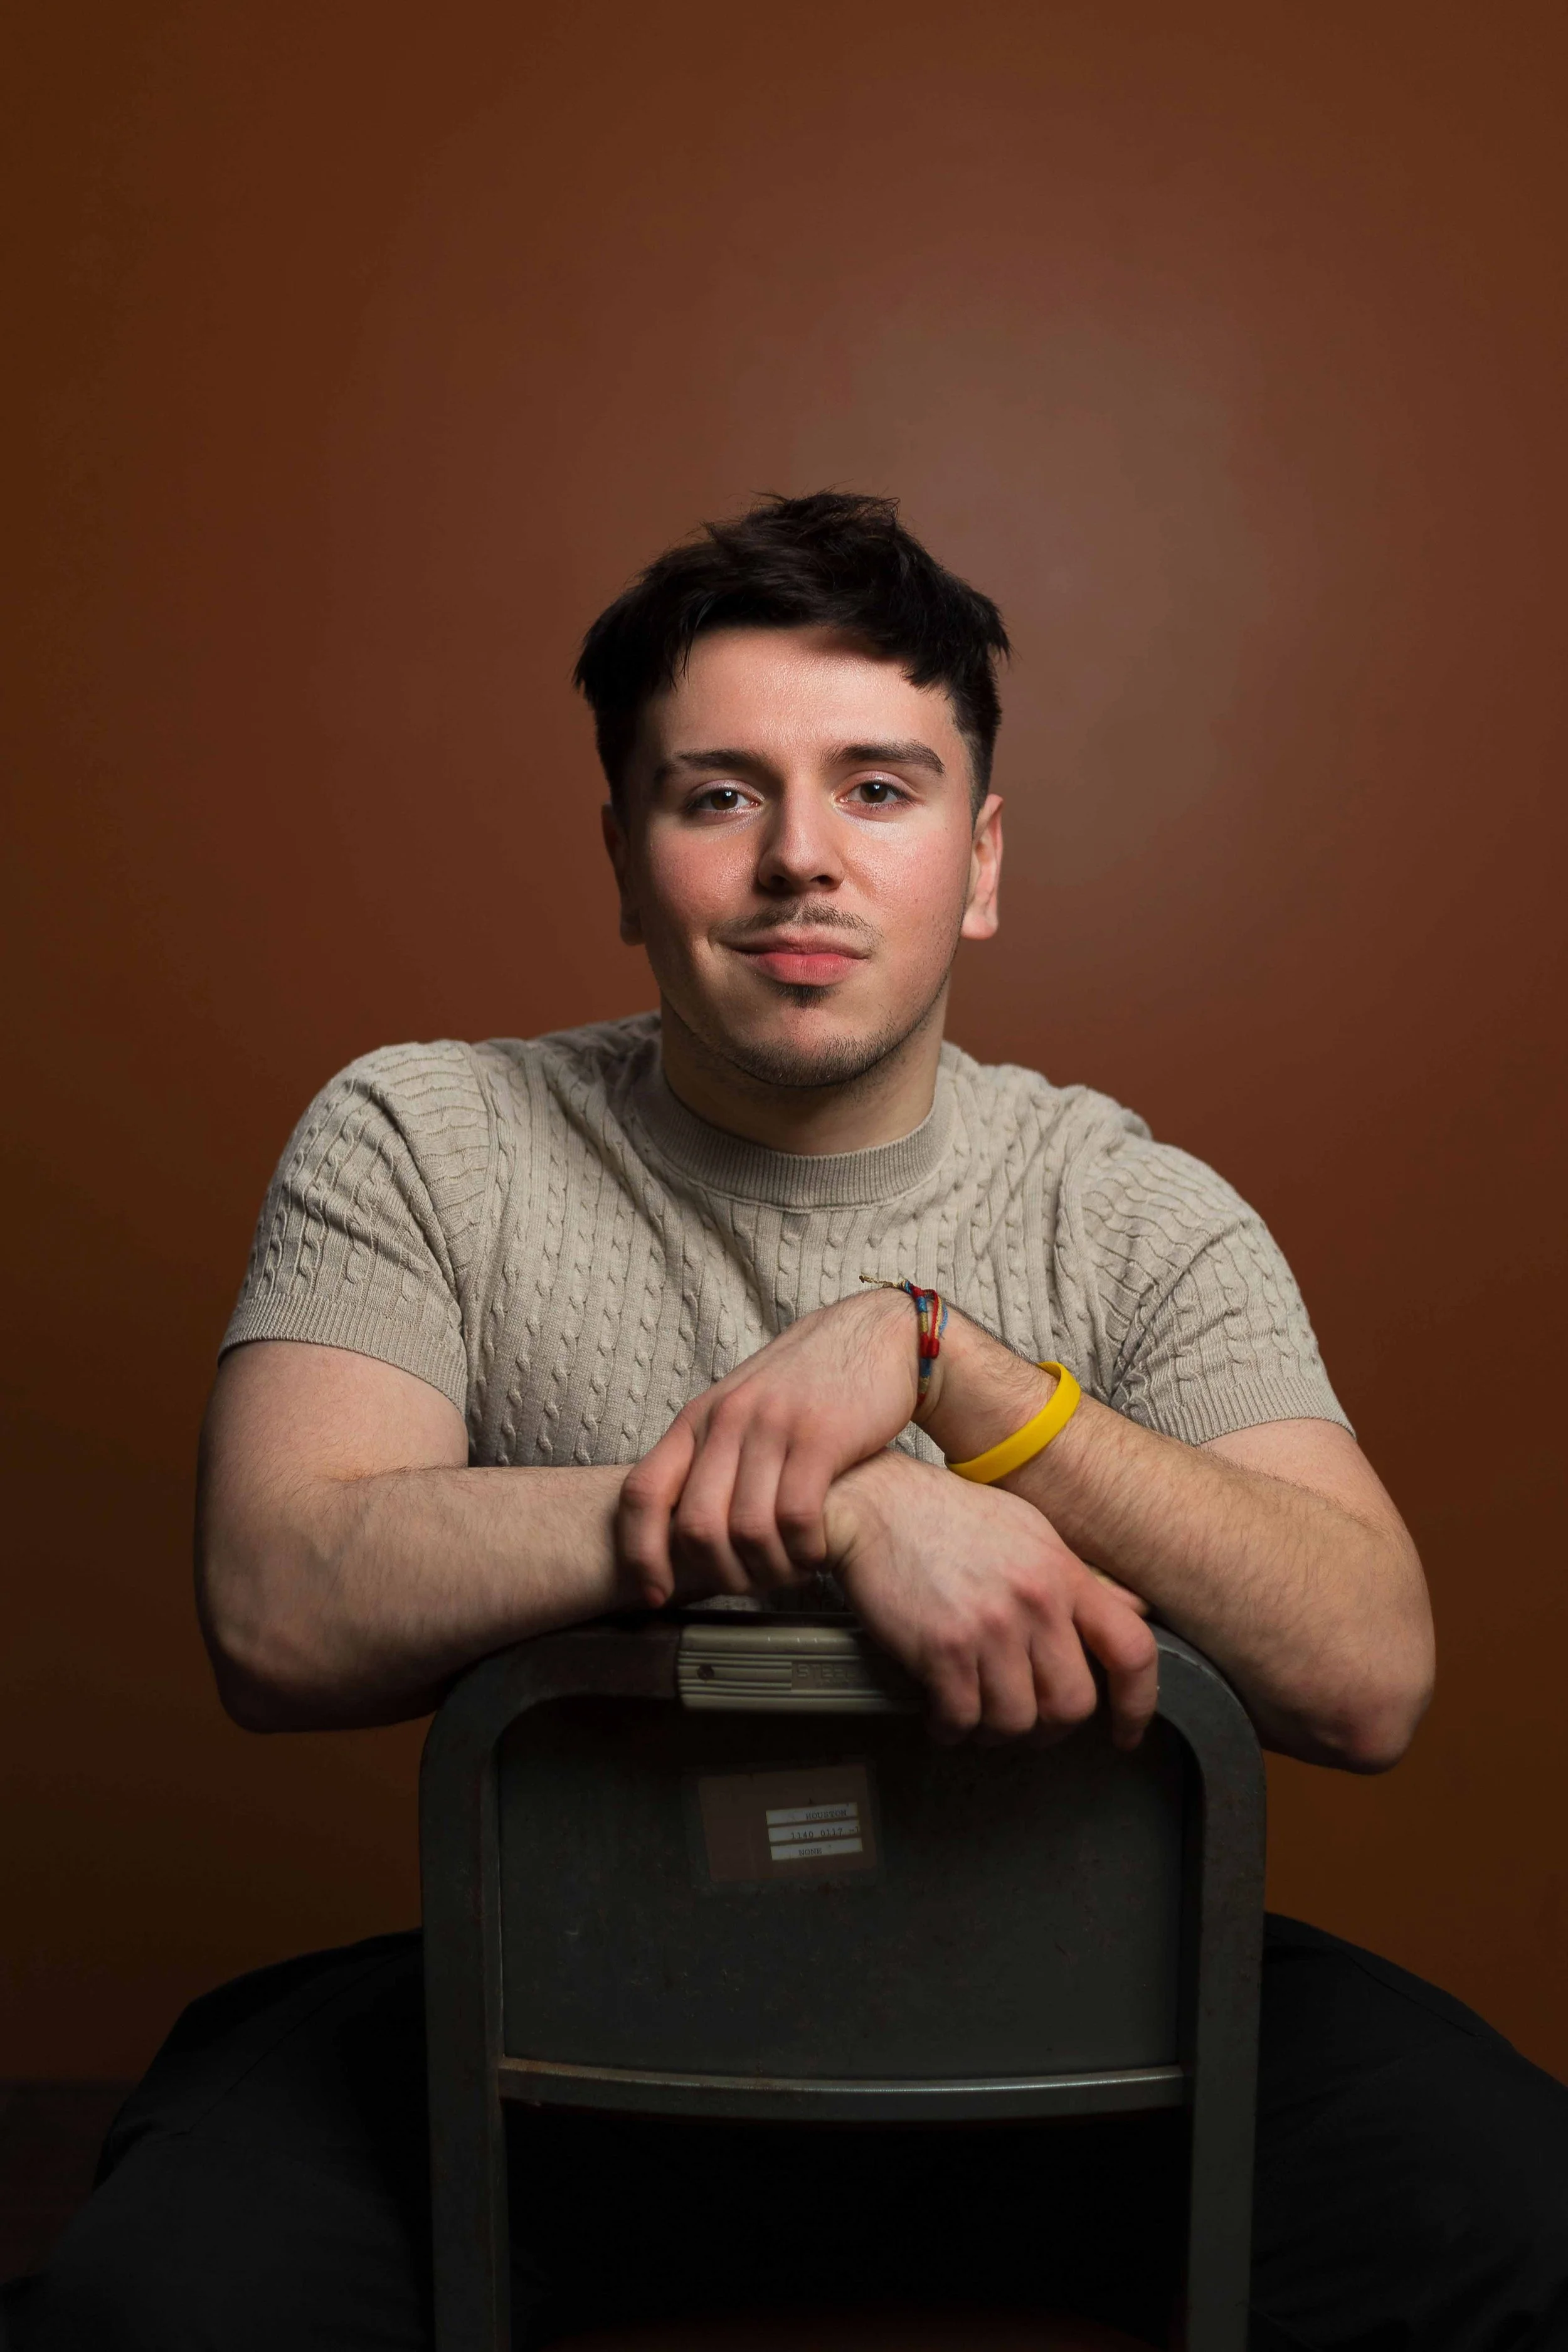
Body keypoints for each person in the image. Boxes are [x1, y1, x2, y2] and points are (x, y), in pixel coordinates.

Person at [16, 494, 1566, 2351]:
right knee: (156, 2302)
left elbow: (1367, 1666)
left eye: (881, 790)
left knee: (1512, 2214)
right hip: (558, 2034)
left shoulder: (1132, 1205)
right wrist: (832, 1512)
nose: (800, 863)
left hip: (1076, 2043)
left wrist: (948, 1374)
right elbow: (277, 1597)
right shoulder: (419, 1140)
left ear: (979, 861)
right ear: (622, 854)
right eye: (719, 793)